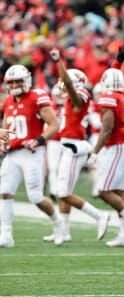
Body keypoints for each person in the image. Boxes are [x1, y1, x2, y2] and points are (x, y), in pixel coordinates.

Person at [43, 49, 110, 243]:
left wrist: (58, 62)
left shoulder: (79, 95)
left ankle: (99, 216)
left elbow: (71, 86)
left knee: (63, 192)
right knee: (64, 191)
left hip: (74, 147)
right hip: (69, 146)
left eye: (64, 83)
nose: (62, 86)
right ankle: (64, 232)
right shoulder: (70, 99)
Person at [0, 64, 64, 247]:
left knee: (35, 197)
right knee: (5, 192)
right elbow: (6, 130)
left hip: (32, 152)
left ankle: (57, 224)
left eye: (17, 81)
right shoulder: (7, 101)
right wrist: (3, 144)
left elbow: (54, 124)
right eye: (10, 82)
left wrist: (38, 140)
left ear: (26, 80)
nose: (14, 85)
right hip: (13, 154)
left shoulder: (37, 97)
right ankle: (6, 235)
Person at [88, 68, 124, 247]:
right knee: (119, 191)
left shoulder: (110, 97)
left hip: (119, 145)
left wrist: (95, 151)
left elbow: (107, 128)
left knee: (104, 190)